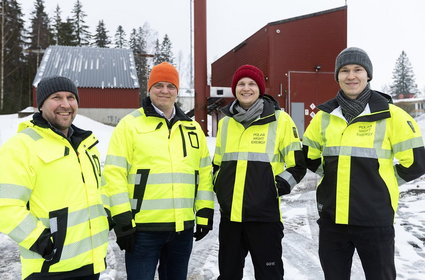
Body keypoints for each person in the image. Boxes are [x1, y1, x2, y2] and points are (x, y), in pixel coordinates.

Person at [302, 47, 425, 280]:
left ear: (368, 75)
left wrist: (381, 179)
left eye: (358, 70)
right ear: (337, 76)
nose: (351, 76)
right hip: (333, 220)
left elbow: (417, 163)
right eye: (345, 70)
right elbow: (309, 156)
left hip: (375, 220)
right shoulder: (323, 117)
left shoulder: (392, 115)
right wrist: (332, 176)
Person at [101, 62, 214, 280]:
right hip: (142, 231)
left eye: (170, 86)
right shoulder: (130, 125)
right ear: (149, 88)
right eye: (159, 85)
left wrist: (204, 212)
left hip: (182, 230)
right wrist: (122, 219)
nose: (164, 91)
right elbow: (114, 174)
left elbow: (203, 174)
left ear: (177, 91)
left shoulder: (192, 128)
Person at [0, 76, 109, 280]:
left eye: (71, 97)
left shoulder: (86, 146)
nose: (65, 104)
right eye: (56, 97)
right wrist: (41, 242)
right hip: (48, 268)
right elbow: (5, 205)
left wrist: (107, 214)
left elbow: (98, 189)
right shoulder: (21, 146)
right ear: (41, 104)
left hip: (90, 263)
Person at [213, 64, 306, 280]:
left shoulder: (280, 120)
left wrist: (275, 187)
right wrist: (221, 186)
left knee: (269, 275)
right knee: (228, 275)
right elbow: (218, 163)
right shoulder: (226, 123)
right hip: (231, 219)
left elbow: (297, 165)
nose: (246, 88)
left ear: (260, 88)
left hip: (265, 218)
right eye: (241, 84)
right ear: (235, 89)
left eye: (252, 84)